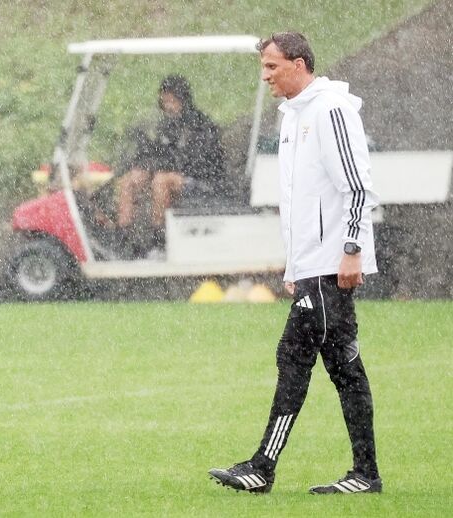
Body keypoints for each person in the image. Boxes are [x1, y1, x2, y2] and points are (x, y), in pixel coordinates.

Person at [208, 32, 381, 494]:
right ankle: (365, 473)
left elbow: (358, 186)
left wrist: (351, 250)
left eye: (271, 67)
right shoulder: (293, 116)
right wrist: (293, 268)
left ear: (299, 64)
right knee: (345, 369)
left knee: (295, 358)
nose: (264, 77)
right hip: (312, 268)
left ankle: (263, 467)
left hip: (332, 266)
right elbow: (300, 202)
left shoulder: (330, 109)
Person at [115, 74, 225, 255]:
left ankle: (158, 241)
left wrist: (165, 167)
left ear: (183, 100)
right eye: (164, 102)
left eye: (171, 101)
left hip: (202, 182)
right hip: (174, 173)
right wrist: (144, 166)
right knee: (130, 180)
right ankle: (122, 238)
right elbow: (160, 153)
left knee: (160, 181)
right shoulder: (167, 125)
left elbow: (195, 163)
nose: (168, 106)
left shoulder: (200, 125)